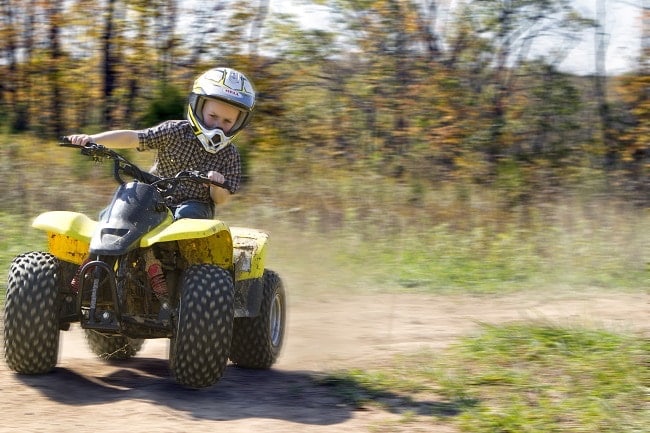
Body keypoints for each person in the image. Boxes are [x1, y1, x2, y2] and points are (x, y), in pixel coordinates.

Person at [66, 67, 256, 219]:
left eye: (227, 121)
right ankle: (93, 263)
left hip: (195, 207)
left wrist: (216, 184)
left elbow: (220, 200)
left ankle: (185, 267)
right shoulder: (173, 131)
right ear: (198, 107)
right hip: (153, 195)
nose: (217, 126)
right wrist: (92, 139)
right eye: (213, 116)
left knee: (185, 215)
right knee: (114, 212)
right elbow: (134, 137)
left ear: (238, 123)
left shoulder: (230, 155)